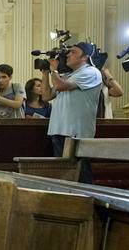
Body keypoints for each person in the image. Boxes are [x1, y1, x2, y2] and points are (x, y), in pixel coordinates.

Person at [41, 42, 103, 184]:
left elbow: (61, 86)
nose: (68, 54)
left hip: (76, 132)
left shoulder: (91, 72)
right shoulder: (68, 75)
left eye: (73, 52)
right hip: (59, 130)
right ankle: (68, 204)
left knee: (80, 175)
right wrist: (45, 72)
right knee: (64, 176)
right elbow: (46, 96)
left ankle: (85, 203)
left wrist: (54, 71)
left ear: (85, 57)